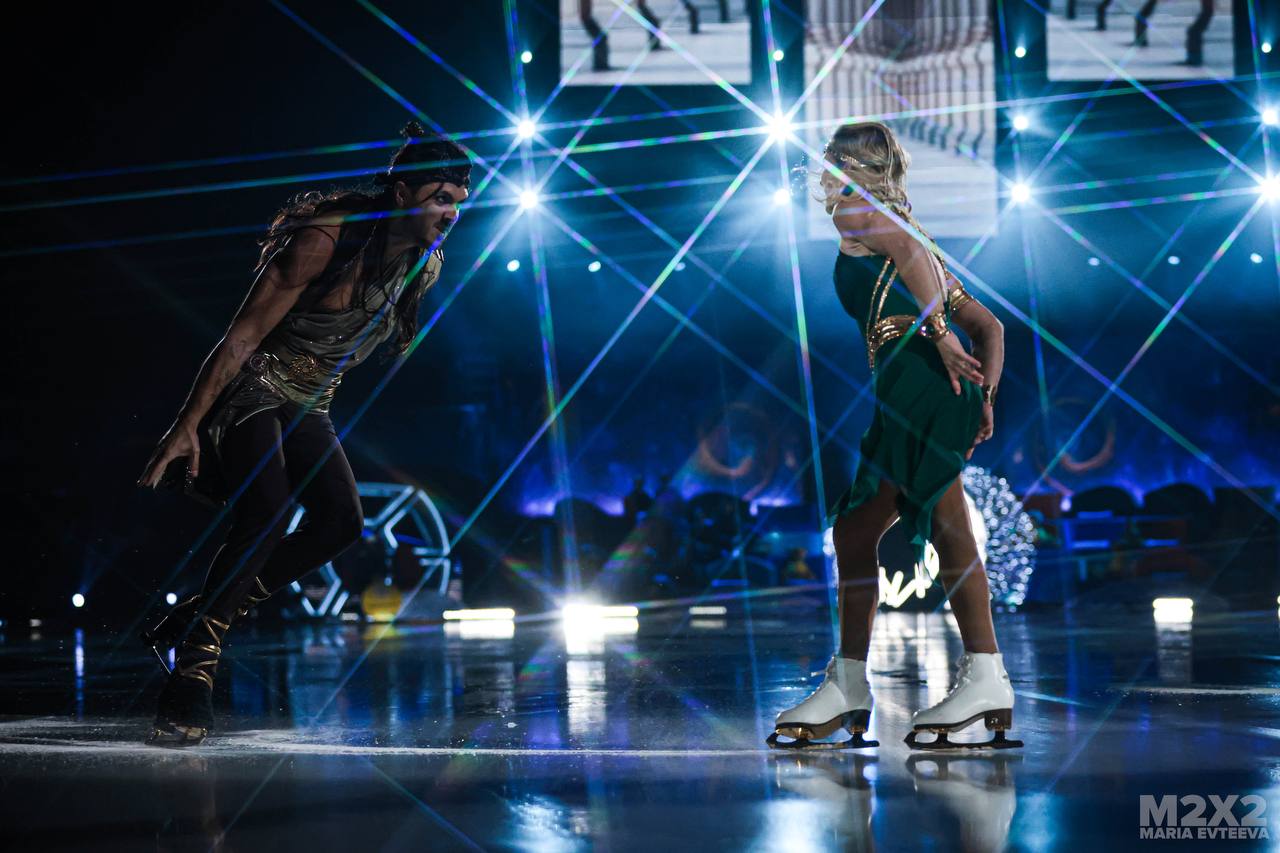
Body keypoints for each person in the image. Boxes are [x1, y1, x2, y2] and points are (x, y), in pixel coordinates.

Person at [135, 121, 470, 746]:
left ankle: (194, 620)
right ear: (402, 193)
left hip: (313, 399)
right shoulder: (323, 239)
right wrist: (187, 424)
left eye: (458, 201)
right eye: (440, 197)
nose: (451, 213)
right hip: (254, 385)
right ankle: (193, 671)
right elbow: (241, 336)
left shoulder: (423, 265)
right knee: (268, 509)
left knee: (341, 522)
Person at [768, 121, 1020, 752]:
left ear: (848, 165)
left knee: (944, 527)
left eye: (832, 159)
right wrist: (983, 398)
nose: (826, 171)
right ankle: (853, 682)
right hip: (923, 392)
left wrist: (938, 337)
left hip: (919, 387)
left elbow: (914, 265)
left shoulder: (857, 213)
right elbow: (991, 328)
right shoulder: (912, 231)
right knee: (857, 532)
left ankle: (982, 677)